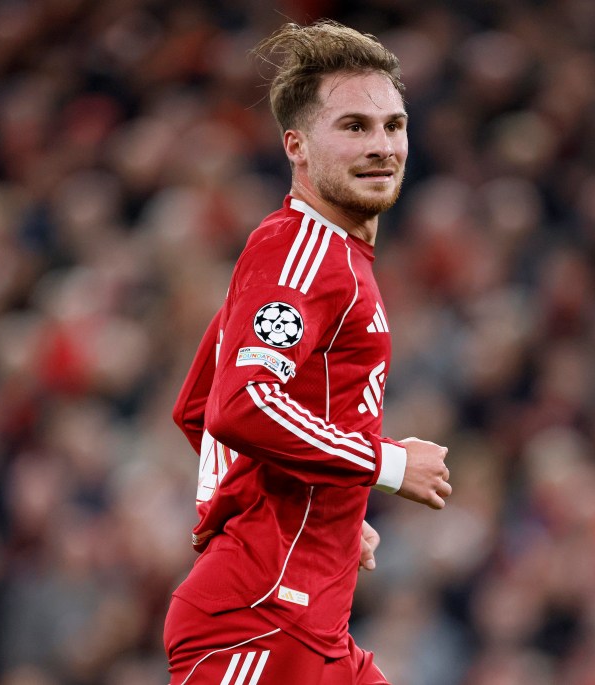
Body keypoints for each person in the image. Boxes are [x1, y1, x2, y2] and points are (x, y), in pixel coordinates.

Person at [164, 20, 452, 685]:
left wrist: (323, 504)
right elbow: (237, 408)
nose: (382, 146)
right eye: (353, 126)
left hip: (310, 624)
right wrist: (384, 462)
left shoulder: (326, 255)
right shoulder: (303, 251)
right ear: (296, 146)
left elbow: (199, 406)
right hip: (260, 621)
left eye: (393, 125)